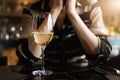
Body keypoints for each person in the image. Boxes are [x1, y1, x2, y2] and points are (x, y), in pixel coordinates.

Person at [16, 0, 112, 79]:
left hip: (82, 75)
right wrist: (55, 10)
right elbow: (26, 55)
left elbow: (102, 52)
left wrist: (72, 12)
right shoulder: (32, 9)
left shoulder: (91, 6)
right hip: (43, 76)